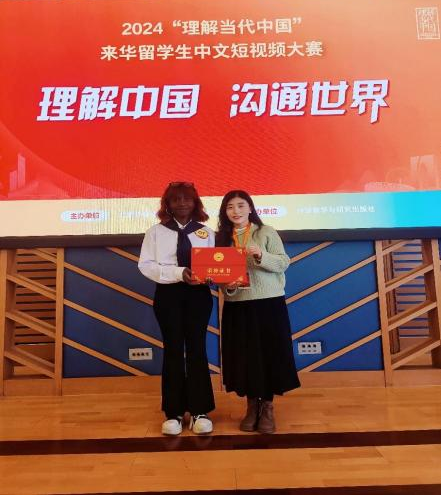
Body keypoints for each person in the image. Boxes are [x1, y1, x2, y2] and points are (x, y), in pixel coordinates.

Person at [216, 190, 300, 434]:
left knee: (269, 354)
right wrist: (228, 286)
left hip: (269, 303)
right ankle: (252, 406)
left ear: (250, 208)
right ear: (224, 212)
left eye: (241, 205)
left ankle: (268, 407)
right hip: (238, 305)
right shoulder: (221, 239)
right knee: (244, 357)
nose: (236, 211)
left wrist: (261, 255)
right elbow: (219, 276)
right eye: (230, 207)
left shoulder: (266, 232)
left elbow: (283, 262)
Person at [138, 182, 215, 436]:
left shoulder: (206, 232)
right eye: (176, 199)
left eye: (187, 199)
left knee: (197, 349)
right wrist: (178, 273)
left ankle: (200, 411)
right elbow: (146, 266)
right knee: (172, 350)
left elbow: (216, 264)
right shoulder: (155, 232)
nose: (182, 203)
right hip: (168, 294)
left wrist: (215, 275)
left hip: (199, 296)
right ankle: (173, 413)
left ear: (195, 203)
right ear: (168, 205)